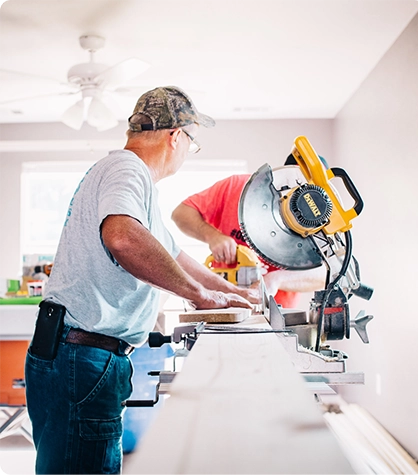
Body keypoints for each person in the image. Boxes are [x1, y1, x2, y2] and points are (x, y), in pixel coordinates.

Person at [25, 86, 259, 475]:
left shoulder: (132, 182)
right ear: (177, 136)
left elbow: (174, 254)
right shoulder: (127, 169)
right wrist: (200, 296)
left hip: (77, 354)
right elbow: (121, 237)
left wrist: (230, 291)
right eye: (191, 142)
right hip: (82, 358)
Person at [171, 165, 326, 308]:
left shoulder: (319, 223)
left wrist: (277, 279)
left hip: (274, 311)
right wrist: (212, 236)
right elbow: (181, 213)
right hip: (221, 302)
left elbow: (325, 273)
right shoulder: (237, 187)